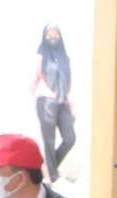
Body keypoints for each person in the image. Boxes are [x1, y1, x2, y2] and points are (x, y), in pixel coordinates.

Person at [33, 25, 75, 184]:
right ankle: (53, 176)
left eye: (55, 33)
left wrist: (71, 105)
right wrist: (39, 97)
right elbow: (33, 80)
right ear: (44, 36)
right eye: (49, 34)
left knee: (70, 138)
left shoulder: (65, 57)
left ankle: (49, 169)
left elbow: (68, 83)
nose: (52, 36)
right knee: (49, 141)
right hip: (45, 101)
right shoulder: (40, 56)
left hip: (63, 101)